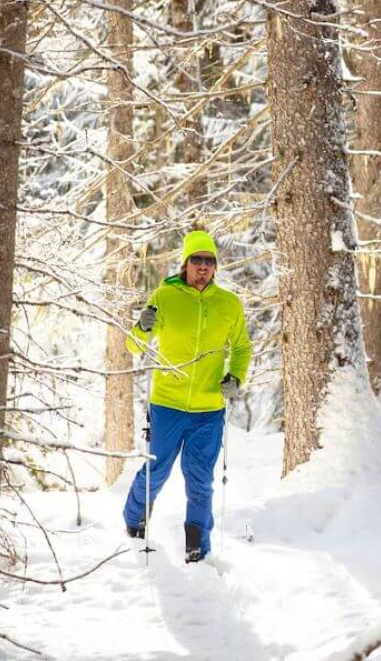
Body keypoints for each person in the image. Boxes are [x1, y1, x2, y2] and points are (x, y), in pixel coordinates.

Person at [122, 230, 252, 562]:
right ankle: (134, 518)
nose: (203, 267)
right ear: (186, 263)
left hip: (208, 408)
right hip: (167, 402)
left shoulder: (228, 304)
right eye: (197, 260)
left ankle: (197, 544)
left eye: (210, 261)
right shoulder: (165, 297)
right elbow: (134, 346)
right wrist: (143, 325)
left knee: (199, 479)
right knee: (158, 468)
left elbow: (240, 347)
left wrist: (235, 377)